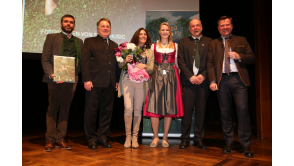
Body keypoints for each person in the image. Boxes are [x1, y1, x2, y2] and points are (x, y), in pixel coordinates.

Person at [207, 16, 255, 158]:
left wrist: (239, 55)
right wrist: (212, 80)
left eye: (227, 25)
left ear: (232, 26)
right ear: (218, 28)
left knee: (242, 111)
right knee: (225, 113)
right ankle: (228, 143)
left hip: (239, 80)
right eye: (222, 25)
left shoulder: (242, 40)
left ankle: (245, 145)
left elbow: (252, 57)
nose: (225, 27)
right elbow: (209, 64)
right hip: (222, 81)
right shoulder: (213, 43)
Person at [41, 14, 83, 152]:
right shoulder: (52, 37)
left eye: (71, 22)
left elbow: (81, 61)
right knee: (53, 108)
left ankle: (60, 138)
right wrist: (51, 74)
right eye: (66, 22)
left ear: (74, 25)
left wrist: (77, 72)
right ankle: (49, 139)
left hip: (72, 80)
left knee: (65, 109)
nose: (68, 24)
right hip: (55, 78)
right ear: (61, 24)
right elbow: (45, 58)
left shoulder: (79, 41)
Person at [143, 22, 184, 148]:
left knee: (169, 106)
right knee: (155, 106)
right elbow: (149, 64)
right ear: (159, 32)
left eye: (167, 30)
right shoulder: (153, 46)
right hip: (156, 77)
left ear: (170, 32)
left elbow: (177, 64)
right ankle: (156, 137)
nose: (165, 32)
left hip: (171, 77)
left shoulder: (175, 46)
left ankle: (165, 138)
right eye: (163, 30)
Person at [81, 18, 120, 150]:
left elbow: (116, 65)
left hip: (109, 84)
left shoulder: (115, 45)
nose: (105, 28)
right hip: (94, 83)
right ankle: (91, 138)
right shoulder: (89, 42)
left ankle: (103, 137)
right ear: (98, 29)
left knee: (107, 112)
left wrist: (117, 81)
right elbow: (84, 62)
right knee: (91, 112)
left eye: (107, 26)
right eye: (102, 26)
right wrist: (86, 79)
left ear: (110, 29)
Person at [177, 19, 212, 149]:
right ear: (189, 29)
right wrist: (190, 76)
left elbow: (211, 61)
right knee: (186, 112)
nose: (195, 28)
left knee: (201, 112)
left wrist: (203, 75)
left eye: (197, 25)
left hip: (203, 82)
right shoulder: (183, 42)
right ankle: (184, 139)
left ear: (201, 27)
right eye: (193, 26)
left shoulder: (210, 42)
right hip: (188, 82)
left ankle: (199, 138)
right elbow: (181, 61)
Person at [117, 28, 154, 148]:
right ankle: (128, 136)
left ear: (147, 37)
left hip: (141, 83)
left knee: (138, 109)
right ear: (136, 36)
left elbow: (152, 68)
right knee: (128, 108)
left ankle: (135, 136)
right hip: (128, 80)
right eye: (141, 34)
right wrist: (125, 60)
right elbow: (120, 64)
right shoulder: (128, 48)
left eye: (145, 34)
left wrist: (146, 66)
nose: (143, 36)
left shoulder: (150, 52)